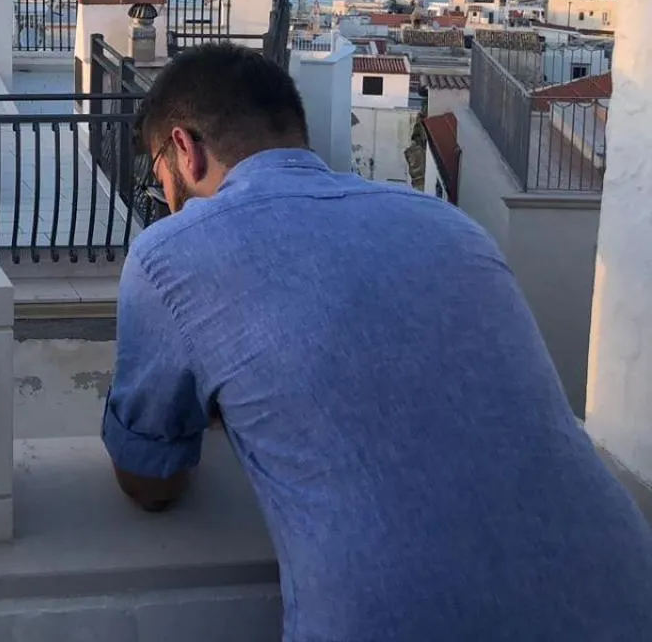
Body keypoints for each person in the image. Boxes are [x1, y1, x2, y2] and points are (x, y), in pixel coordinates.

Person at [103, 43, 652, 641]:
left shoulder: (172, 252)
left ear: (184, 149)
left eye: (160, 177)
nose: (167, 200)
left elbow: (149, 481)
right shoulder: (447, 223)